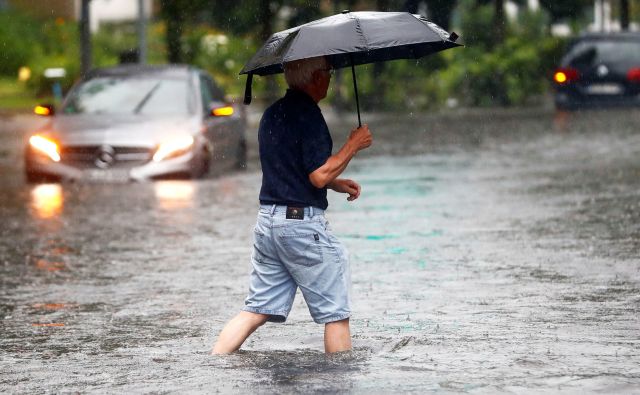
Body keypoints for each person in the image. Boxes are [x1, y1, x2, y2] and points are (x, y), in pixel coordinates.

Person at [211, 56, 372, 354]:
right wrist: (353, 145)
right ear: (314, 78)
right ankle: (340, 380)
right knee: (337, 313)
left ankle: (213, 362)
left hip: (268, 225)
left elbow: (289, 168)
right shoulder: (309, 115)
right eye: (328, 70)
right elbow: (318, 175)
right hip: (300, 227)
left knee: (255, 310)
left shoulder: (272, 114)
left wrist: (337, 183)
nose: (330, 76)